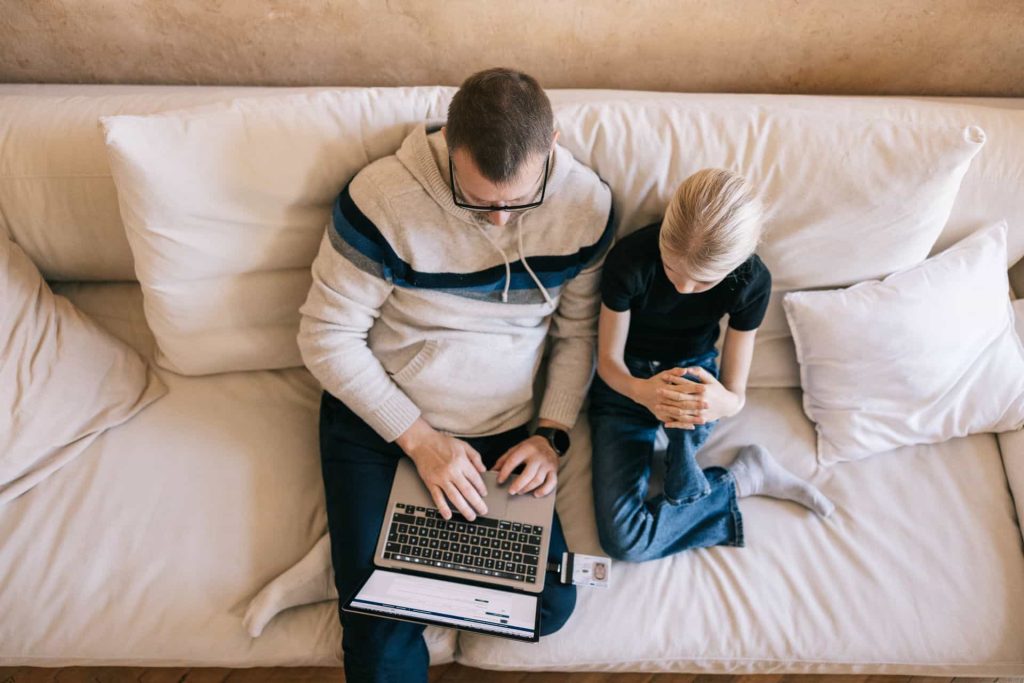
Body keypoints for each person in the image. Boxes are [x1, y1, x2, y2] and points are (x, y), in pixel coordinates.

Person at [297, 67, 614, 683]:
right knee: (377, 635)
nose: (498, 222)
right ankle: (380, 587)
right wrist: (422, 442)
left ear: (552, 142)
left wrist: (550, 435)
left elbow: (578, 334)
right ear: (449, 148)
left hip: (501, 430)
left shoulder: (587, 206)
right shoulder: (381, 199)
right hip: (384, 422)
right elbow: (324, 336)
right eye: (477, 200)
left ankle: (387, 575)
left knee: (548, 605)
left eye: (518, 202)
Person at [588, 168, 834, 563]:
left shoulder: (751, 280)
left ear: (735, 266)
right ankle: (740, 479)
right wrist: (642, 391)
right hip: (629, 379)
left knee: (686, 404)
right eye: (673, 271)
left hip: (693, 372)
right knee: (625, 542)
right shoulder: (631, 260)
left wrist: (720, 403)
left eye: (703, 282)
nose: (683, 288)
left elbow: (735, 394)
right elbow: (608, 363)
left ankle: (682, 461)